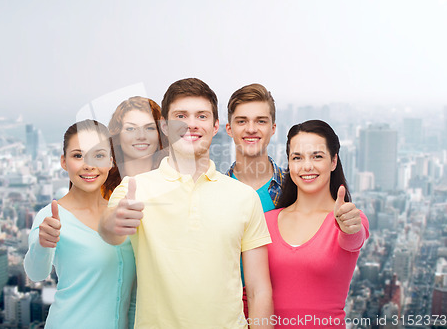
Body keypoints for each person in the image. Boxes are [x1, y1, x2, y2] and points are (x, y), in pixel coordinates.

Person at [99, 78, 274, 329]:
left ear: (215, 127)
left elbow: (258, 290)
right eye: (181, 116)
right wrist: (114, 221)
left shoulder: (244, 197)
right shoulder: (134, 189)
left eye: (201, 116)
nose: (191, 124)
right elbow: (109, 232)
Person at [24, 119, 136, 329]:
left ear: (111, 162)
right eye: (78, 155)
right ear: (64, 162)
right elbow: (36, 273)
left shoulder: (121, 213)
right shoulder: (50, 217)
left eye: (99, 155)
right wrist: (42, 245)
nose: (89, 165)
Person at [265, 120, 369, 328]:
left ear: (333, 161)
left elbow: (354, 238)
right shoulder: (266, 221)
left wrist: (349, 227)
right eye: (297, 157)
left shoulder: (348, 218)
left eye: (317, 156)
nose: (307, 166)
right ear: (289, 163)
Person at [225, 83, 283, 318]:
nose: (251, 129)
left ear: (273, 128)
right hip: (226, 314)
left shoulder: (295, 190)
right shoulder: (212, 192)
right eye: (242, 121)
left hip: (286, 310)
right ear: (229, 129)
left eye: (260, 121)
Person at [101, 96, 168, 200]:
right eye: (131, 128)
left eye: (149, 128)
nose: (141, 136)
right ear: (117, 137)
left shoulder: (175, 183)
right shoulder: (100, 187)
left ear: (160, 134)